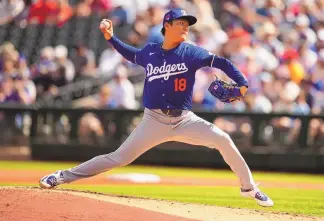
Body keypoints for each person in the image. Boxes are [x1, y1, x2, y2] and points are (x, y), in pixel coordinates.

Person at [39, 9, 274, 207]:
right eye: (180, 23)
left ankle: (249, 188)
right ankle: (62, 176)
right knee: (117, 158)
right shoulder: (150, 52)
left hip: (185, 120)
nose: (185, 28)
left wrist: (242, 83)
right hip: (153, 121)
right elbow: (131, 54)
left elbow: (222, 62)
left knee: (223, 139)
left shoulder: (191, 52)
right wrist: (110, 38)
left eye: (187, 25)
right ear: (167, 25)